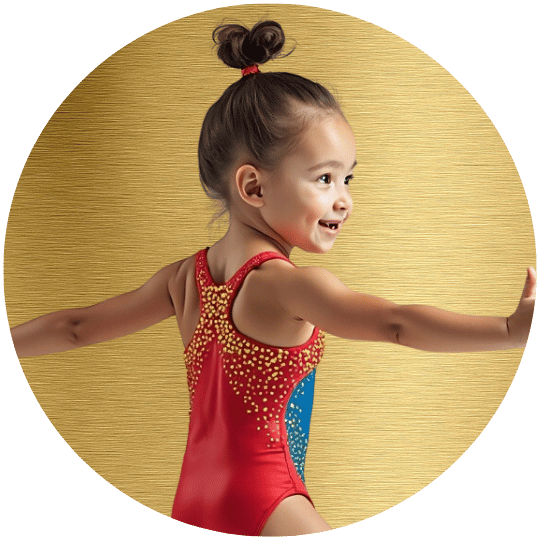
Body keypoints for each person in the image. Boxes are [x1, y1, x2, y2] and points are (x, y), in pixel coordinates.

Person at [10, 20, 536, 537]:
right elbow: (395, 324)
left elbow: (77, 327)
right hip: (268, 499)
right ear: (254, 187)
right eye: (324, 177)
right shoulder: (287, 286)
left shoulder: (182, 279)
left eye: (348, 178)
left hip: (193, 498)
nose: (344, 198)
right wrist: (509, 331)